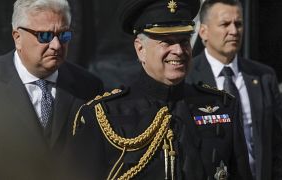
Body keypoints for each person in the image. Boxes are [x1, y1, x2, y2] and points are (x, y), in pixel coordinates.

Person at [72, 0, 252, 179]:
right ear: (140, 49)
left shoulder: (222, 105)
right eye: (166, 42)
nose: (179, 51)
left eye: (184, 41)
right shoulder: (105, 115)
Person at [0, 0, 103, 179]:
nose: (56, 45)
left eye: (64, 35)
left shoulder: (89, 87)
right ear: (17, 37)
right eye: (44, 36)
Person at [185, 0, 282, 179]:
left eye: (238, 24)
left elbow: (277, 143)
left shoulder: (264, 77)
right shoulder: (187, 78)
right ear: (203, 32)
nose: (234, 31)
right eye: (225, 24)